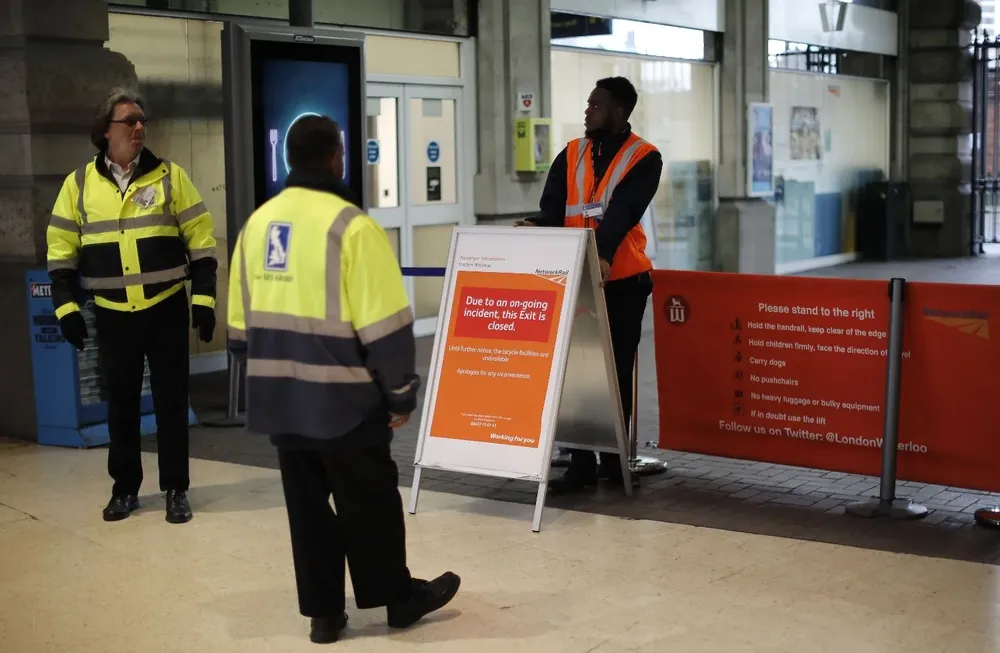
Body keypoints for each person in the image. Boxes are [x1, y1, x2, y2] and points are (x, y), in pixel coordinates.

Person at [227, 115, 460, 644]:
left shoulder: (257, 225)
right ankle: (397, 600)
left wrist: (268, 383)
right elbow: (386, 326)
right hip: (346, 401)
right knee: (370, 500)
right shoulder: (351, 227)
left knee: (307, 508)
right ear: (336, 157)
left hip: (282, 401)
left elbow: (238, 332)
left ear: (290, 158)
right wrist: (399, 393)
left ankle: (325, 615)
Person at [46, 88, 218, 523]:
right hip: (112, 313)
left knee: (171, 403)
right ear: (106, 132)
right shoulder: (78, 184)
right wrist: (66, 308)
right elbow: (61, 250)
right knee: (120, 405)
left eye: (143, 120)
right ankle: (124, 490)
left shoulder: (169, 177)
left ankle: (176, 489)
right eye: (129, 121)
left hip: (165, 309)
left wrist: (203, 299)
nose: (139, 128)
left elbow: (201, 240)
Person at [518, 76, 662, 494]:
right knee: (575, 373)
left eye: (595, 106)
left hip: (621, 281)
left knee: (614, 373)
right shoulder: (573, 153)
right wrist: (535, 225)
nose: (587, 111)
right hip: (575, 279)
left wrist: (602, 252)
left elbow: (624, 211)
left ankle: (614, 462)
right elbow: (554, 207)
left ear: (619, 113)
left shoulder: (644, 157)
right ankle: (580, 465)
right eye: (587, 104)